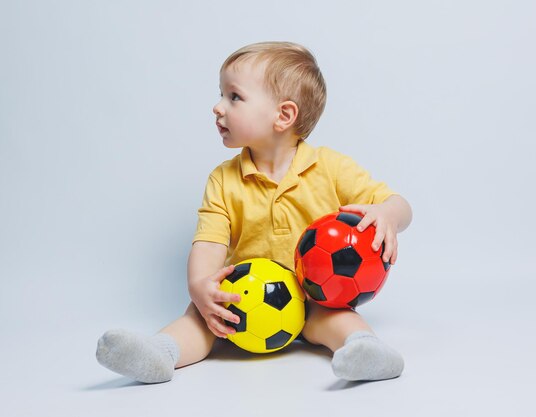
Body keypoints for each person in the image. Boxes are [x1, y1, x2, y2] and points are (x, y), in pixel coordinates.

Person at [96, 41, 413, 384]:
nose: (218, 107)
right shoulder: (223, 179)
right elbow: (209, 242)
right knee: (201, 320)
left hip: (311, 300)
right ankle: (160, 353)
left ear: (283, 115)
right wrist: (201, 287)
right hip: (243, 302)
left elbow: (398, 203)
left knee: (336, 317)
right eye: (221, 94)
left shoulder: (330, 167)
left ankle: (365, 350)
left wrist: (388, 215)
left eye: (234, 96)